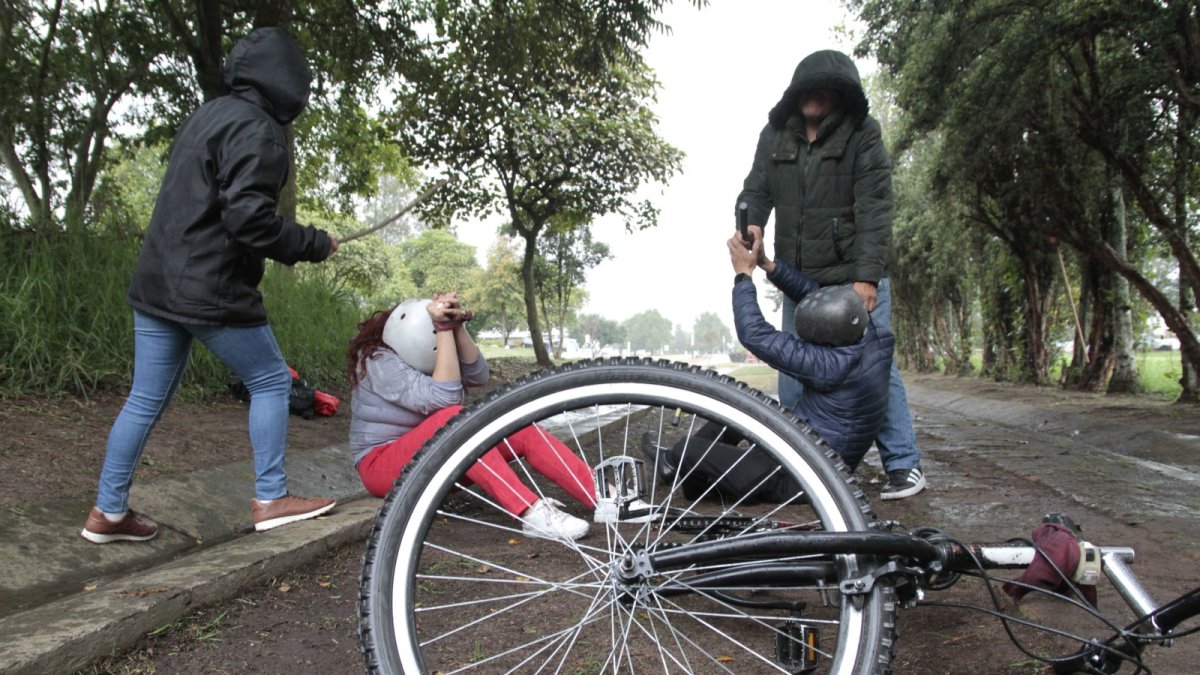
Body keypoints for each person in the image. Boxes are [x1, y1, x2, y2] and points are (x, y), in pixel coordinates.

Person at [81, 28, 339, 544]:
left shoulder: (209, 114)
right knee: (270, 380)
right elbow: (250, 221)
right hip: (209, 286)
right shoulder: (261, 130)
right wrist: (314, 243)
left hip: (157, 280)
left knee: (144, 397)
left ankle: (108, 512)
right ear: (286, 81)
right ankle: (272, 498)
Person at [735, 48, 926, 500]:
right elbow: (756, 190)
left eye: (826, 89)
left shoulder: (863, 135)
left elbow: (876, 208)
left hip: (854, 277)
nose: (815, 96)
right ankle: (806, 463)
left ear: (842, 95)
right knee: (793, 370)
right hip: (798, 276)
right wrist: (752, 226)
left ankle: (904, 464)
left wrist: (866, 277)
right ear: (795, 92)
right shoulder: (775, 135)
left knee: (874, 371)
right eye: (807, 88)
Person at [347, 294, 643, 541]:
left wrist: (456, 325)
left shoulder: (421, 346)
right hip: (382, 465)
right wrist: (442, 330)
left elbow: (478, 375)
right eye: (438, 332)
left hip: (435, 455)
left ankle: (605, 498)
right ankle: (530, 513)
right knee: (457, 421)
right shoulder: (375, 360)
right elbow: (446, 399)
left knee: (515, 426)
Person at [644, 233, 894, 503]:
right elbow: (818, 299)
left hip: (799, 477)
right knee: (738, 408)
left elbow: (755, 334)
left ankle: (673, 464)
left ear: (828, 340)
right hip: (814, 458)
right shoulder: (874, 336)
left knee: (687, 449)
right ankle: (680, 467)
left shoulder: (830, 366)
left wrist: (743, 275)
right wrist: (768, 264)